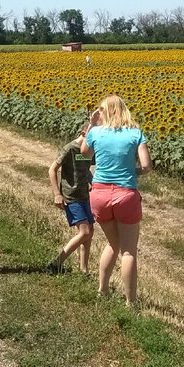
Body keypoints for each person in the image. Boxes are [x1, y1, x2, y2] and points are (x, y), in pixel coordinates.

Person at [79, 95, 153, 306]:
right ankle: (131, 302)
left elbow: (85, 153)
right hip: (125, 194)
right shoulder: (135, 133)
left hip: (100, 194)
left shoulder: (96, 133)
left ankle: (102, 290)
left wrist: (91, 126)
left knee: (112, 242)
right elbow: (147, 166)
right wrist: (134, 171)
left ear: (104, 111)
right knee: (128, 250)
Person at [46, 119, 95, 273]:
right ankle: (56, 263)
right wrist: (57, 194)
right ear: (83, 133)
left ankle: (83, 269)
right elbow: (52, 170)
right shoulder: (70, 149)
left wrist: (92, 181)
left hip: (85, 195)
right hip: (71, 196)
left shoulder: (89, 150)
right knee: (84, 232)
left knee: (89, 231)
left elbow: (86, 169)